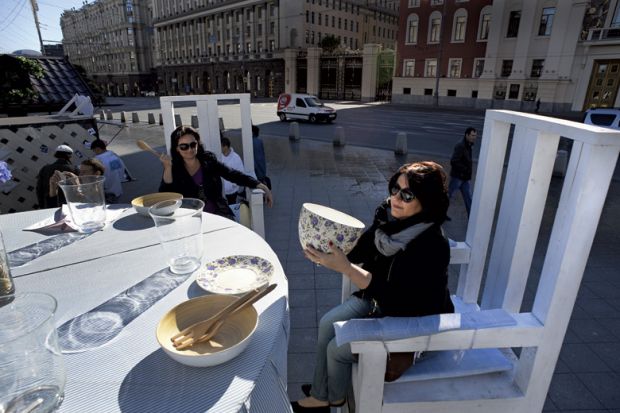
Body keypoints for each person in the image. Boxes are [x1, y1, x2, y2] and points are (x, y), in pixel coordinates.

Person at [292, 161, 454, 412]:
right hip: (377, 300)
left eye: (407, 194)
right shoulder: (387, 221)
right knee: (327, 323)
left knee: (338, 349)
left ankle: (333, 398)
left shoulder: (432, 244)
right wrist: (326, 250)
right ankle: (321, 395)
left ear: (427, 200)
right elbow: (358, 253)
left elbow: (401, 300)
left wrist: (347, 269)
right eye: (394, 189)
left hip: (410, 317)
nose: (395, 198)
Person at [158, 125, 273, 220]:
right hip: (190, 220)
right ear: (177, 149)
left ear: (197, 143)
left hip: (218, 215)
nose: (190, 150)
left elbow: (231, 174)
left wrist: (260, 185)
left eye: (193, 144)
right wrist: (167, 168)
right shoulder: (173, 167)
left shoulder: (208, 160)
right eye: (184, 146)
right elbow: (165, 196)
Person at [36, 144, 79, 209]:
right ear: (69, 156)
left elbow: (39, 189)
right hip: (70, 206)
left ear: (56, 155)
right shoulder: (74, 169)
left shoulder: (45, 169)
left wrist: (42, 206)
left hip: (50, 204)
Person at [448, 127, 477, 216]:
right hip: (457, 178)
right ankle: (439, 214)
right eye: (472, 135)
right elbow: (453, 161)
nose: (474, 137)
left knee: (468, 199)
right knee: (448, 196)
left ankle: (471, 219)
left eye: (475, 136)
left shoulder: (469, 145)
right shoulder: (461, 146)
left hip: (465, 179)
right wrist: (464, 170)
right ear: (466, 135)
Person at [91, 139, 126, 203]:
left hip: (105, 189)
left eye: (94, 150)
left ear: (97, 149)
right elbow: (121, 169)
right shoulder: (114, 156)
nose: (94, 152)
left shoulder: (97, 160)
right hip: (117, 187)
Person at [220, 136, 247, 205]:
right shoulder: (219, 157)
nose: (219, 148)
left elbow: (241, 173)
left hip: (233, 192)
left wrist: (233, 185)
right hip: (222, 192)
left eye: (221, 146)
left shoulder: (236, 158)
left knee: (232, 208)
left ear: (225, 147)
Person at [252, 125, 271, 189]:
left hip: (257, 169)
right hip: (261, 168)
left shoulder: (251, 142)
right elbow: (262, 155)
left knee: (259, 183)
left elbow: (256, 158)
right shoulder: (259, 141)